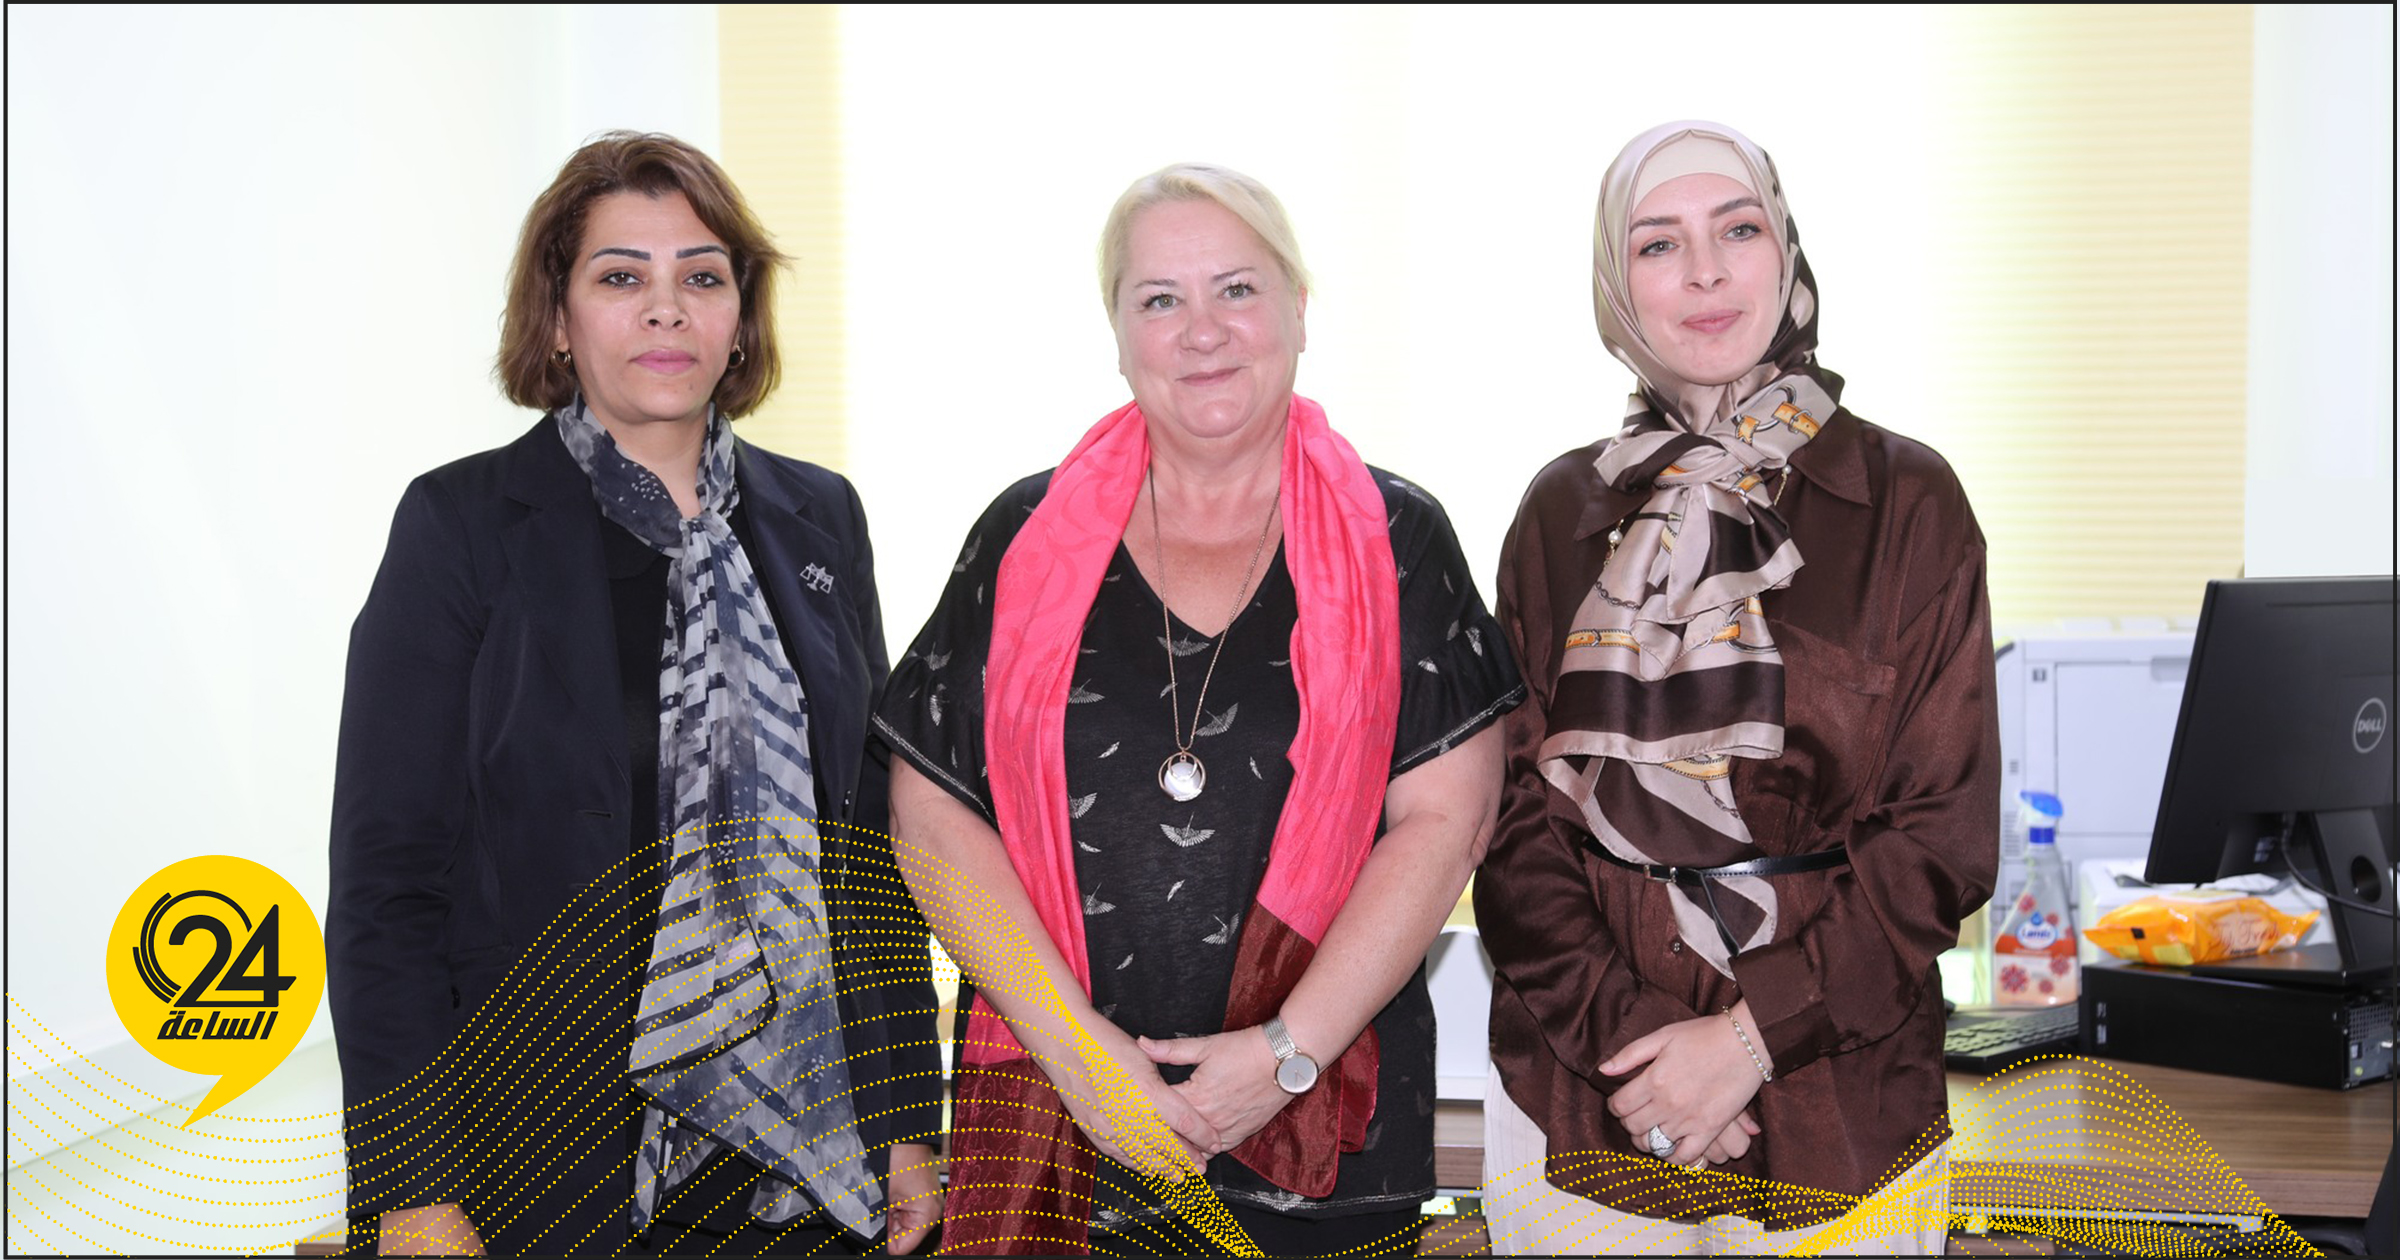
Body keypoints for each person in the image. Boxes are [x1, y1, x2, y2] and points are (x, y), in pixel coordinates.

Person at [874, 163, 1524, 1257]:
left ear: (1299, 311)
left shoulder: (1400, 537)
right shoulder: (1020, 535)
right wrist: (1080, 1057)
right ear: (1118, 333)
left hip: (1327, 1143)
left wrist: (1284, 1056)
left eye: (1237, 289)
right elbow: (930, 819)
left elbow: (1447, 823)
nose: (1203, 331)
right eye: (1160, 299)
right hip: (1058, 1130)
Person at [327, 131, 942, 1257]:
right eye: (621, 277)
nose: (667, 308)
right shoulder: (461, 527)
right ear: (558, 318)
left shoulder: (821, 517)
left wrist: (905, 1119)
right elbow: (387, 887)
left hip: (809, 1157)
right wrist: (413, 1190)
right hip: (545, 1168)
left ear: (740, 319)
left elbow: (870, 844)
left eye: (702, 277)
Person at [1477, 120, 1998, 1256]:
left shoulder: (1910, 502)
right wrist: (1643, 1054)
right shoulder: (1559, 513)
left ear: (1787, 252)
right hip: (1586, 1105)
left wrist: (1747, 1043)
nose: (1706, 272)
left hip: (1841, 1114)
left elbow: (1939, 839)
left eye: (1739, 229)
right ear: (1618, 288)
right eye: (1659, 244)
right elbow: (1509, 824)